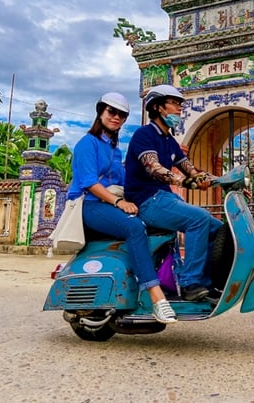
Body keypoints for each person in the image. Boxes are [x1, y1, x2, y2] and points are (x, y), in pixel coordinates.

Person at [66, 92, 177, 324]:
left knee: (163, 225)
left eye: (122, 115)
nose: (116, 117)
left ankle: (168, 282)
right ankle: (157, 299)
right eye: (111, 112)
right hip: (89, 205)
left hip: (108, 204)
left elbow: (126, 182)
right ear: (101, 112)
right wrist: (118, 202)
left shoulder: (115, 150)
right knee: (134, 227)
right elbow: (89, 183)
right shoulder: (88, 143)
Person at [124, 84, 222, 302]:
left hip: (165, 199)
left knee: (220, 229)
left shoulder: (170, 141)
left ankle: (206, 282)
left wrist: (224, 181)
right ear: (158, 107)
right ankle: (189, 283)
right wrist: (184, 181)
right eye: (174, 103)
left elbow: (192, 169)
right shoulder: (144, 135)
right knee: (199, 219)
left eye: (180, 104)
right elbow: (154, 168)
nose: (179, 109)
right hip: (147, 201)